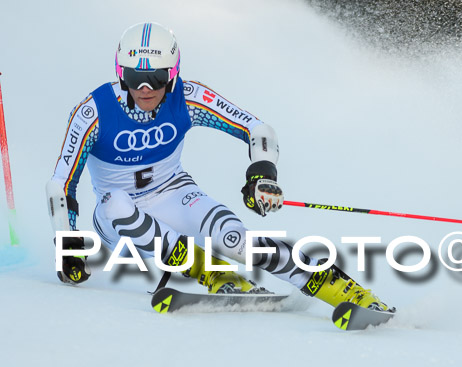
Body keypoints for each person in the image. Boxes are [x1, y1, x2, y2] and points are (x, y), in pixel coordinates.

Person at [47, 21, 393, 313]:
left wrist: (261, 174)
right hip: (118, 220)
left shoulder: (189, 98)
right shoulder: (94, 111)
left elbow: (257, 129)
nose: (145, 87)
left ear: (173, 72)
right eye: (136, 76)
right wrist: (68, 245)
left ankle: (343, 291)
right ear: (121, 73)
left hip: (175, 194)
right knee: (117, 202)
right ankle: (210, 272)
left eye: (157, 76)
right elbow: (61, 185)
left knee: (235, 241)